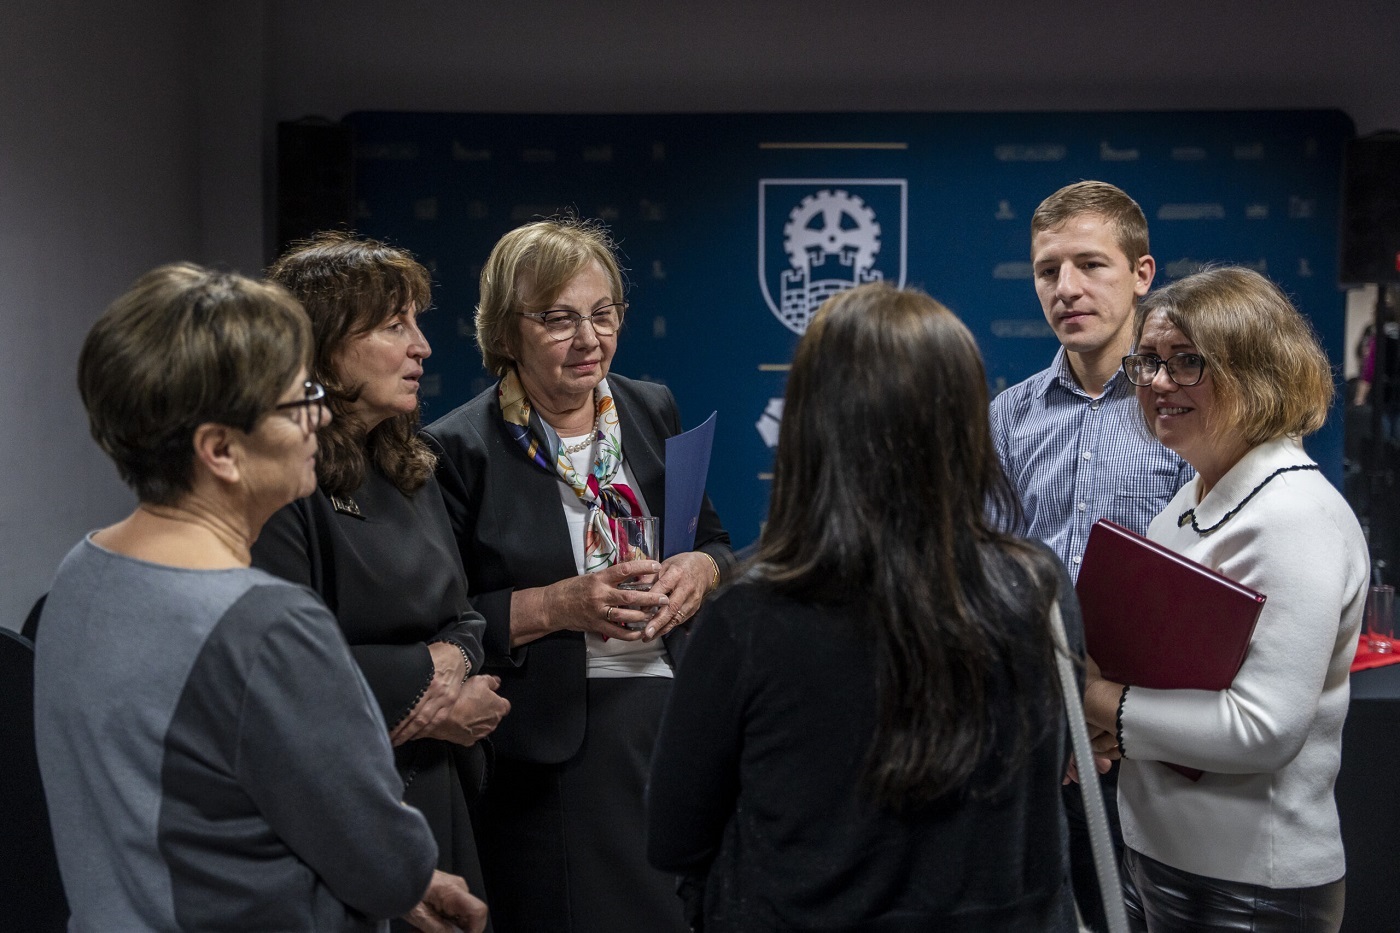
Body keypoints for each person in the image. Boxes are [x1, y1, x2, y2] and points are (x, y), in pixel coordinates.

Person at [34, 264, 486, 933]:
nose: (320, 414)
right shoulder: (266, 624)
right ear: (219, 449)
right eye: (300, 397)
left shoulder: (81, 570)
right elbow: (389, 860)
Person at [646, 281, 1082, 931]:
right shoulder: (1037, 588)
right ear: (963, 424)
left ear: (810, 426)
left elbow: (675, 837)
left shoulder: (749, 614)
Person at [422, 216, 736, 933]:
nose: (588, 338)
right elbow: (451, 619)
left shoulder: (650, 407)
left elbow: (716, 543)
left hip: (674, 717)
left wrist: (699, 569)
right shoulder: (457, 449)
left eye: (603, 314)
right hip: (556, 744)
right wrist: (560, 605)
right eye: (558, 319)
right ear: (506, 331)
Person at [1083, 267, 1366, 932]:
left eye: (1187, 362)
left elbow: (1264, 727)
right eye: (1147, 361)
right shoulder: (1191, 498)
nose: (1156, 382)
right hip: (1160, 855)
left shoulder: (1296, 515)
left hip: (1251, 885)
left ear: (1258, 371)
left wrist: (1093, 702)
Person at [254, 233, 510, 930]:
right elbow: (285, 673)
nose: (421, 345)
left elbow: (466, 618)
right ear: (324, 344)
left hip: (439, 793)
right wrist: (430, 695)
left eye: (417, 323)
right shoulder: (281, 481)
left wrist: (450, 662)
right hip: (347, 806)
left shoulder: (412, 464)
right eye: (395, 325)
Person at [989, 180, 1193, 929]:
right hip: (1035, 731)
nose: (1065, 288)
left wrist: (1107, 712)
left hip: (1158, 734)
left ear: (1142, 274)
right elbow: (988, 575)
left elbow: (1210, 575)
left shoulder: (1185, 408)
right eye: (1048, 270)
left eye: (1090, 265)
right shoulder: (1006, 417)